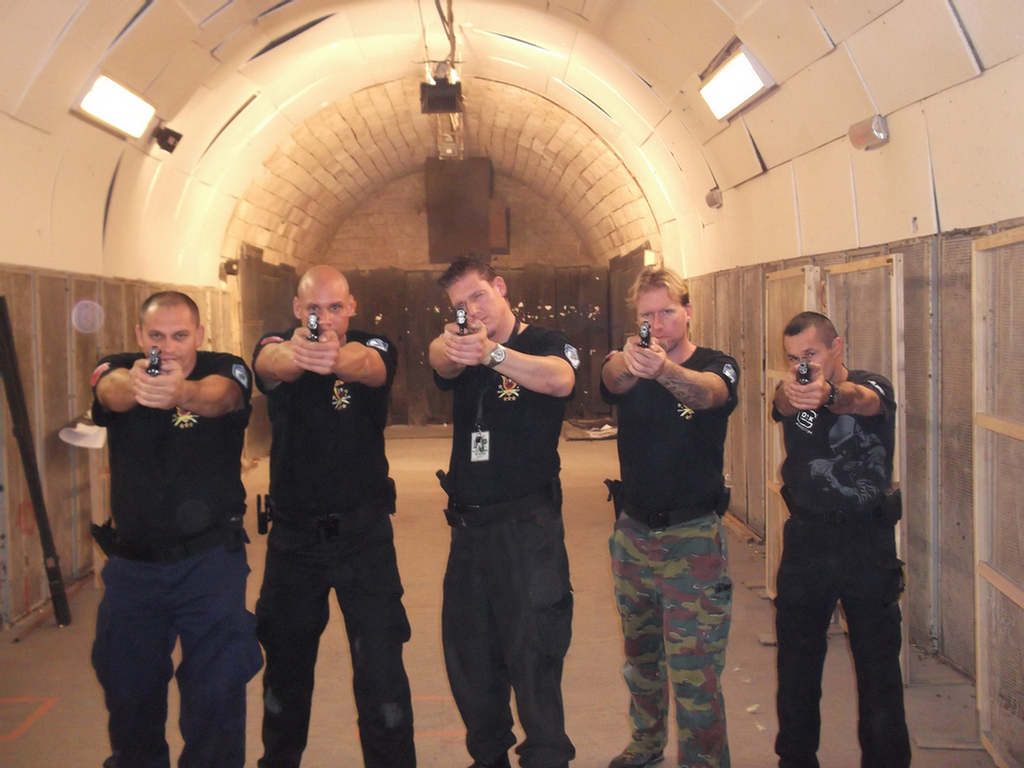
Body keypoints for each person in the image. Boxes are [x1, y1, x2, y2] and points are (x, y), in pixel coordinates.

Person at [90, 291, 261, 768]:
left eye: (180, 335)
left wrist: (180, 392)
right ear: (139, 335)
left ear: (199, 335)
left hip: (209, 564)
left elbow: (222, 397)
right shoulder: (118, 368)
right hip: (133, 568)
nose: (167, 347)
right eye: (157, 336)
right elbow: (109, 390)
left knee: (216, 695)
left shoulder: (226, 368)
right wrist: (139, 386)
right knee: (128, 694)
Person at [252, 265, 415, 768]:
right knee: (285, 675)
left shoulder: (373, 344)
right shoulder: (277, 343)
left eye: (335, 307)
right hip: (293, 541)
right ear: (297, 309)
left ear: (352, 307)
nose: (324, 317)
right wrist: (299, 354)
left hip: (364, 537)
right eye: (314, 308)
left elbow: (369, 366)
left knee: (382, 674)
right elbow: (269, 363)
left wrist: (334, 356)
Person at [429, 254, 580, 768]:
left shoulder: (544, 340)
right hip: (469, 531)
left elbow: (560, 380)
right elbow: (439, 358)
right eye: (460, 305)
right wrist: (455, 346)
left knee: (535, 660)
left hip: (527, 531)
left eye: (478, 296)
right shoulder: (461, 343)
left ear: (500, 287)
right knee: (470, 661)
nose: (472, 310)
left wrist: (492, 353)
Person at [600, 266, 739, 768]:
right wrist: (630, 362)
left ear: (688, 311)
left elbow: (709, 393)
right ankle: (646, 741)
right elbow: (610, 377)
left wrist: (662, 370)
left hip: (692, 537)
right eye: (646, 316)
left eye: (666, 311)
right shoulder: (628, 363)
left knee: (695, 670)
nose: (657, 324)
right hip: (634, 533)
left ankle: (703, 761)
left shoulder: (716, 364)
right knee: (641, 660)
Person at [771, 311, 910, 768]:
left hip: (864, 541)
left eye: (810, 353)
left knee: (878, 667)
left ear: (837, 347)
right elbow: (783, 404)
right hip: (806, 540)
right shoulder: (792, 390)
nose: (802, 365)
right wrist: (794, 392)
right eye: (793, 357)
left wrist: (829, 394)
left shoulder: (873, 385)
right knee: (796, 666)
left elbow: (862, 401)